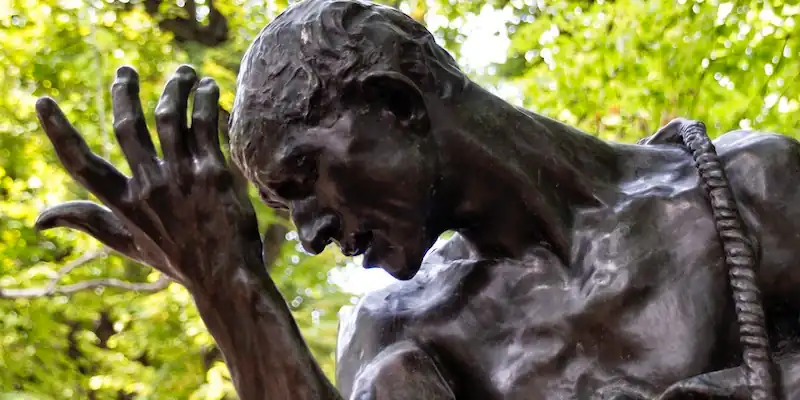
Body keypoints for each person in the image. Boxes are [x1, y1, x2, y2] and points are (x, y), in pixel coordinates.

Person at [33, 0, 800, 398]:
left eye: (304, 180)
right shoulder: (401, 339)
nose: (308, 235)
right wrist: (230, 291)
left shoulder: (745, 187)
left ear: (395, 105)